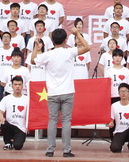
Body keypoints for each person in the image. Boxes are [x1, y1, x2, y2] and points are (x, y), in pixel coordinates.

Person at [32, 27, 91, 158]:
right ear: (65, 40)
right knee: (66, 121)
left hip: (53, 92)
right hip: (67, 91)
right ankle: (66, 150)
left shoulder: (48, 54)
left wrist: (36, 46)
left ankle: (50, 150)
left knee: (52, 120)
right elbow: (87, 47)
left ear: (52, 40)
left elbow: (32, 60)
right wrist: (77, 34)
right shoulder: (69, 52)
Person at [108, 83, 129, 153]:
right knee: (114, 148)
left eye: (125, 91)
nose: (123, 93)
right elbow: (111, 120)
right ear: (118, 93)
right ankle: (117, 143)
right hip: (119, 132)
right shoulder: (114, 105)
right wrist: (111, 123)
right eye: (121, 91)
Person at [0, 75, 30, 151]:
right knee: (3, 123)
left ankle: (15, 142)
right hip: (10, 125)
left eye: (19, 84)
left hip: (21, 128)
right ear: (12, 86)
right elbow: (0, 113)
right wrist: (1, 118)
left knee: (18, 146)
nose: (17, 87)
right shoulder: (6, 98)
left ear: (22, 86)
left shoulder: (27, 99)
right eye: (15, 84)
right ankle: (8, 142)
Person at [0, 32, 14, 114]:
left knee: (10, 97)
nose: (5, 38)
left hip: (11, 79)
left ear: (10, 39)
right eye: (4, 37)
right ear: (1, 39)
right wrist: (0, 71)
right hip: (0, 78)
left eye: (7, 37)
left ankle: (9, 115)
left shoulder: (13, 51)